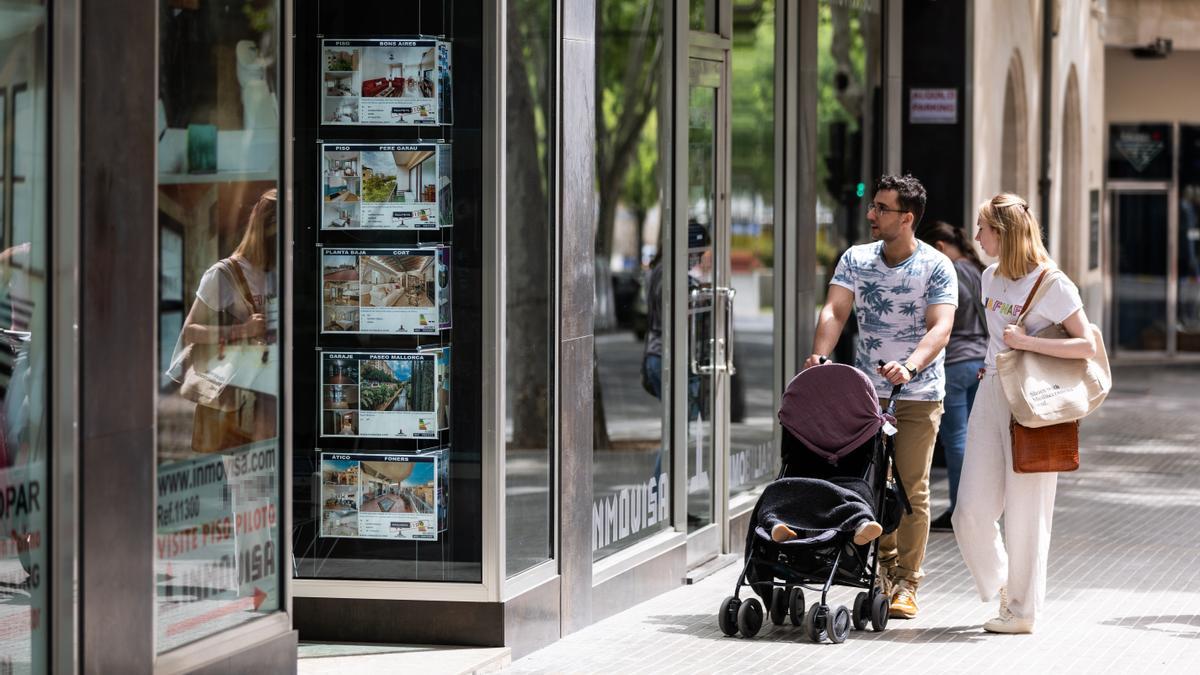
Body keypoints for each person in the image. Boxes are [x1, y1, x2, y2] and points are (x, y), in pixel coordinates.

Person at [803, 174, 957, 619]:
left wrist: (909, 366)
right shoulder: (856, 259)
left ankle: (908, 581)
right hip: (867, 397)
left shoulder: (935, 265)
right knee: (872, 484)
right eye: (872, 206)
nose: (871, 215)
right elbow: (835, 308)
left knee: (912, 488)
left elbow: (940, 327)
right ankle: (884, 571)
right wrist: (820, 354)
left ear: (906, 218)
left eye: (881, 209)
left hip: (919, 394)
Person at [953, 193, 1097, 634]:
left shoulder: (1054, 283)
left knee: (1027, 512)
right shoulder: (990, 277)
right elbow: (998, 338)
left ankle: (1022, 611)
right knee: (969, 512)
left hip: (1035, 403)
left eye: (983, 229)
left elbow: (1087, 345)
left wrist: (1028, 343)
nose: (976, 237)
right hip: (991, 391)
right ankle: (1002, 585)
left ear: (1005, 233)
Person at [919, 222, 989, 532]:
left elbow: (945, 319)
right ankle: (978, 506)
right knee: (974, 438)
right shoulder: (978, 269)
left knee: (956, 439)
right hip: (981, 361)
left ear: (940, 248)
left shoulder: (953, 272)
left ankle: (960, 509)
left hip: (957, 363)